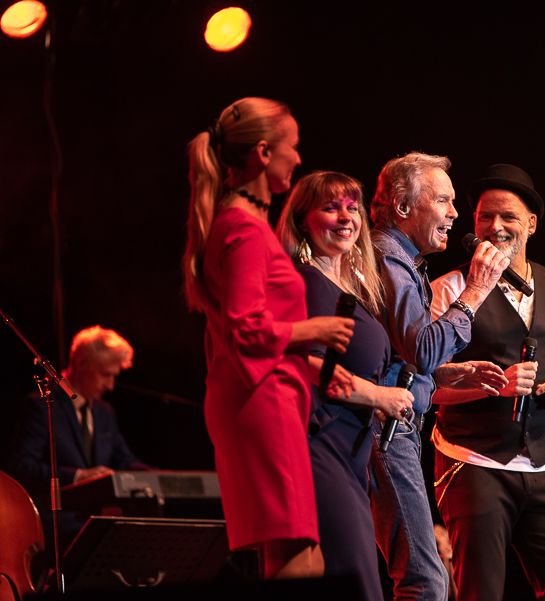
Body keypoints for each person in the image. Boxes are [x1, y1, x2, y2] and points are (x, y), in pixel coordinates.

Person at [182, 97, 355, 579]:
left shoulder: (238, 224)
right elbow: (244, 328)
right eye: (292, 147)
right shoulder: (244, 230)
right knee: (296, 558)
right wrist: (316, 329)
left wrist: (306, 360)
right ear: (262, 152)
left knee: (302, 555)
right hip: (262, 400)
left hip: (260, 395)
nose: (298, 158)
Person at [430, 164, 545, 601]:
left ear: (532, 224)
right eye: (485, 217)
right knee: (480, 591)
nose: (495, 226)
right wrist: (490, 386)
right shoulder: (447, 289)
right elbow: (425, 385)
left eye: (508, 216)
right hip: (473, 461)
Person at [367, 152, 510, 600]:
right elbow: (422, 348)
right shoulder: (390, 257)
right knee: (425, 582)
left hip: (393, 429)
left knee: (423, 579)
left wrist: (448, 374)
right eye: (443, 201)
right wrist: (476, 290)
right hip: (387, 431)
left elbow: (401, 356)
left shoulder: (402, 259)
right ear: (402, 206)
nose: (454, 214)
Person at [276, 171, 413, 601]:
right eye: (330, 208)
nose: (345, 217)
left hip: (351, 450)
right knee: (359, 581)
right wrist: (379, 397)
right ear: (303, 221)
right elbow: (309, 363)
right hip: (322, 444)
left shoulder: (349, 288)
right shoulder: (307, 281)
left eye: (352, 208)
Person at [9, 325, 149, 551]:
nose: (110, 386)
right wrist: (79, 476)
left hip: (95, 523)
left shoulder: (104, 412)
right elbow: (21, 466)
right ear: (82, 363)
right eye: (106, 375)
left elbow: (126, 461)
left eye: (114, 377)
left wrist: (165, 478)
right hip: (55, 526)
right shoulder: (41, 406)